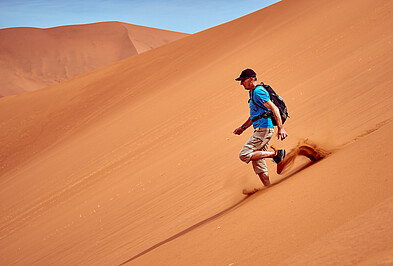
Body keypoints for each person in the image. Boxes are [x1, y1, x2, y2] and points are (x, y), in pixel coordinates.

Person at [233, 68, 288, 187]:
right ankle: (268, 188)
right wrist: (243, 128)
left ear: (251, 79)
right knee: (257, 160)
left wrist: (281, 128)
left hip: (264, 129)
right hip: (260, 128)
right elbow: (255, 115)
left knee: (244, 154)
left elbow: (274, 109)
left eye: (243, 80)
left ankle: (277, 154)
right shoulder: (252, 92)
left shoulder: (258, 92)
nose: (241, 83)